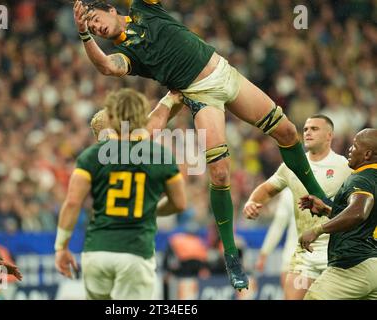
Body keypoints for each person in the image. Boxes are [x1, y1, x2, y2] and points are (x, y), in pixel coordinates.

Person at [72, 0, 328, 289]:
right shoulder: (126, 53)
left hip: (225, 73)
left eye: (94, 19)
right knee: (219, 173)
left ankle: (321, 196)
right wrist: (84, 35)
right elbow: (107, 67)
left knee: (287, 132)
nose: (95, 27)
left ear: (111, 9)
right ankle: (231, 254)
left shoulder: (143, 8)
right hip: (199, 95)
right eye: (90, 26)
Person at [55, 88, 186, 300]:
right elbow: (179, 203)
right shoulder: (156, 153)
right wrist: (169, 100)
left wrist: (60, 247)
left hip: (97, 250)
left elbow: (72, 203)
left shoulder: (91, 156)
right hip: (135, 251)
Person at [243, 115, 352, 299]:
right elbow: (268, 189)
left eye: (315, 129)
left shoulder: (345, 166)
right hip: (304, 255)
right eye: (306, 129)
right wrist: (252, 202)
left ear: (329, 135)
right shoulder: (291, 166)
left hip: (336, 255)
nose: (308, 132)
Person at [299, 128, 377, 300]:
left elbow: (359, 213)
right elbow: (363, 221)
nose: (350, 149)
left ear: (367, 154)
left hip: (353, 265)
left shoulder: (361, 178)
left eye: (355, 146)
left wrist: (317, 230)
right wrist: (327, 210)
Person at [255, 188, 298, 289]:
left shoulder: (289, 192)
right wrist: (264, 254)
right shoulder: (289, 192)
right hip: (294, 257)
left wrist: (263, 255)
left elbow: (278, 226)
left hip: (316, 257)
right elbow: (278, 226)